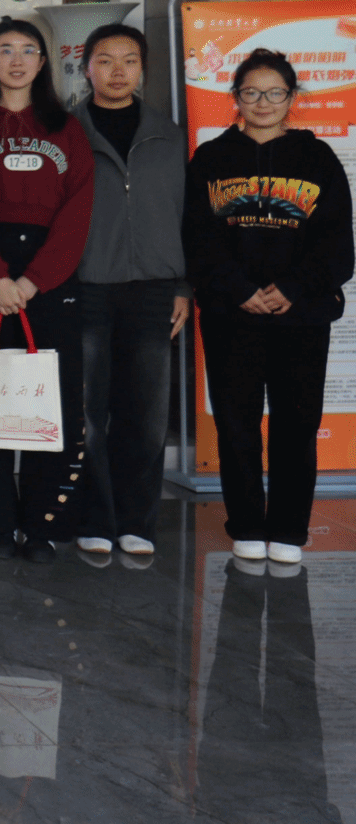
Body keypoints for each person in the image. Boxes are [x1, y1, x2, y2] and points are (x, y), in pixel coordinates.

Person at [184, 49, 352, 564]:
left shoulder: (318, 159)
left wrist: (294, 287)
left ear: (292, 97)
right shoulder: (211, 159)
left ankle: (289, 530)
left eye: (275, 92)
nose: (263, 102)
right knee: (236, 424)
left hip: (300, 316)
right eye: (251, 92)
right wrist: (237, 288)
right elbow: (196, 237)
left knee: (296, 424)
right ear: (235, 97)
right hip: (231, 314)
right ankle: (246, 525)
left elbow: (337, 244)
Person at [0, 19, 93, 562]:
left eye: (28, 50)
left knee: (51, 401)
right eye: (5, 50)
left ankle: (42, 525)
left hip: (48, 282)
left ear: (43, 62)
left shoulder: (66, 128)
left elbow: (77, 213)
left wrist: (33, 280)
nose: (16, 60)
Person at [69, 24, 191, 560]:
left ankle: (137, 520)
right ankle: (95, 517)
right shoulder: (66, 133)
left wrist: (183, 285)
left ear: (143, 68)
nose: (118, 71)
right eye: (105, 60)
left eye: (129, 60)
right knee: (87, 412)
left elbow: (188, 216)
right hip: (87, 286)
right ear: (86, 68)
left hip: (154, 289)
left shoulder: (170, 135)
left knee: (145, 414)